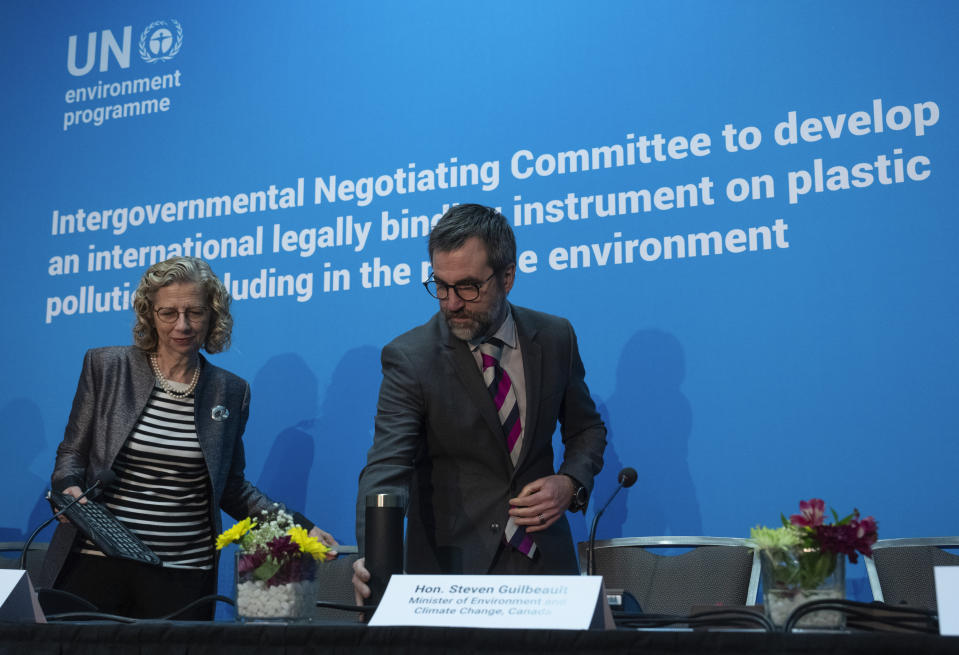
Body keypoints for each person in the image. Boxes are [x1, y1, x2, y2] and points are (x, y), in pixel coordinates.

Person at [39, 256, 337, 619]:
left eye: (194, 312)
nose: (182, 325)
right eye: (168, 313)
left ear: (212, 316)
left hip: (183, 575)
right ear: (150, 314)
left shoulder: (230, 391)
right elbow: (72, 453)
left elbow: (231, 487)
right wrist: (68, 486)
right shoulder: (106, 367)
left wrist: (297, 526)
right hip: (96, 564)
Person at [352, 204, 606, 601]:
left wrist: (570, 482)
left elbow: (586, 428)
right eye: (440, 285)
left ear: (507, 277)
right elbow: (386, 468)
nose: (451, 302)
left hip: (547, 569)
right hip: (451, 575)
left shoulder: (556, 337)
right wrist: (376, 559)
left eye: (468, 287)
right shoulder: (410, 357)